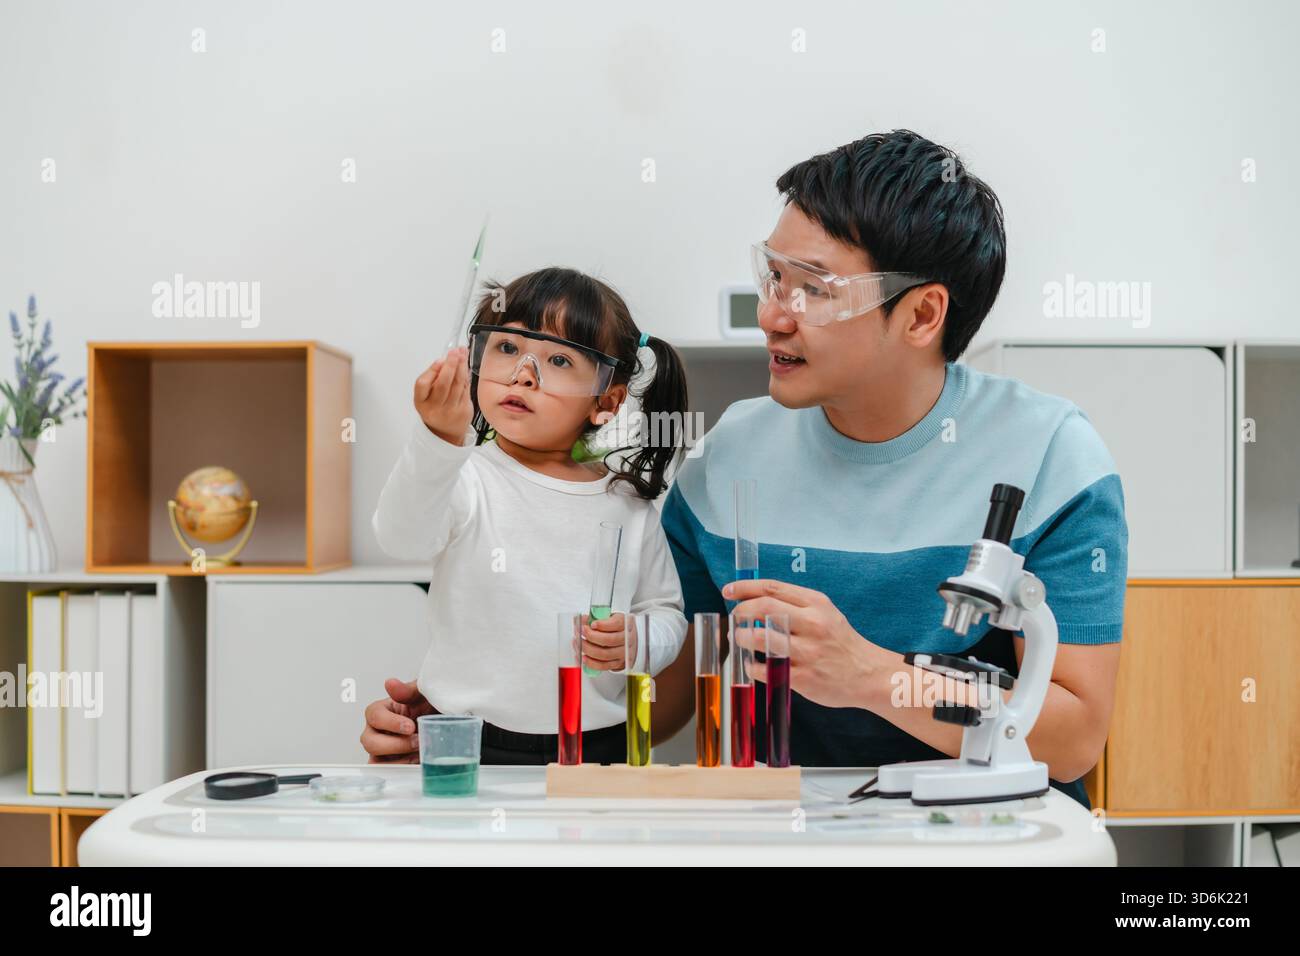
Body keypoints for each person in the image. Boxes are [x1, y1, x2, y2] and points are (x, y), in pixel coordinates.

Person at [654, 130, 1128, 808]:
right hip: (800, 836)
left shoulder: (1052, 455)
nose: (770, 317)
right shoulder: (728, 455)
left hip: (988, 835)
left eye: (813, 290)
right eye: (774, 279)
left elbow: (1073, 737)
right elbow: (669, 699)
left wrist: (872, 676)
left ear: (922, 315)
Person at [364, 267, 690, 765]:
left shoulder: (628, 506)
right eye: (509, 347)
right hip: (467, 741)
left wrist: (637, 641)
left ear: (606, 400)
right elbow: (401, 538)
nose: (524, 374)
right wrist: (436, 440)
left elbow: (666, 613)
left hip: (601, 745)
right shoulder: (465, 476)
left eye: (558, 359)